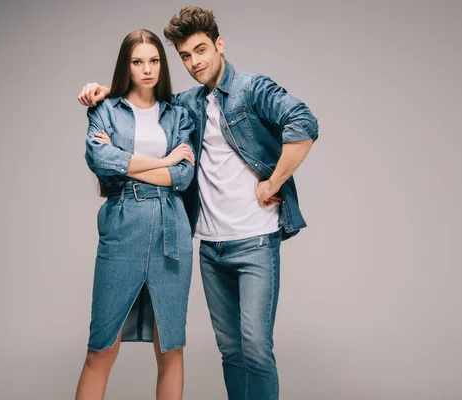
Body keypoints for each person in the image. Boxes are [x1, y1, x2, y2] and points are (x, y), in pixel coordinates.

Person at [78, 7, 319, 399]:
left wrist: (274, 181)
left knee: (255, 348)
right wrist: (105, 95)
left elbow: (303, 122)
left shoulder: (251, 89)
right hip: (209, 244)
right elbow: (129, 122)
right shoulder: (187, 104)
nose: (194, 62)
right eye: (186, 56)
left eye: (201, 50)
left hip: (254, 239)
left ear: (220, 45)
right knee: (230, 352)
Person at [75, 29, 196, 400]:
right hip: (123, 225)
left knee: (170, 346)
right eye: (138, 61)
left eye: (155, 60)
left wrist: (128, 163)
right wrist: (162, 161)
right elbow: (99, 159)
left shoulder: (178, 114)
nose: (148, 69)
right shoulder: (106, 109)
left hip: (170, 229)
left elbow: (184, 175)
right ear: (125, 66)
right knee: (102, 346)